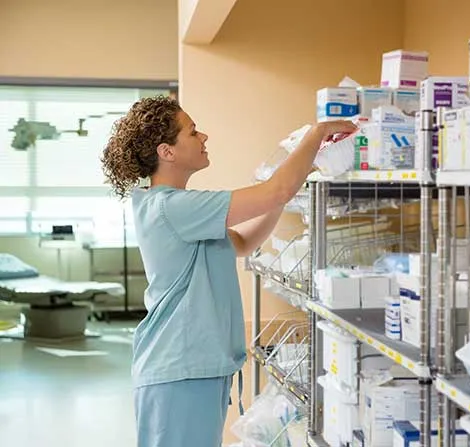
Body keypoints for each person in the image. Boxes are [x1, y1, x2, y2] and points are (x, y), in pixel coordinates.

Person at [100, 95, 356, 447]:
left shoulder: (177, 208)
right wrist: (317, 134)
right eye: (192, 132)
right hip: (180, 368)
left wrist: (286, 193)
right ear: (167, 151)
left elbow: (242, 242)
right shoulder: (172, 207)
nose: (203, 137)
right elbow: (274, 190)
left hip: (192, 367)